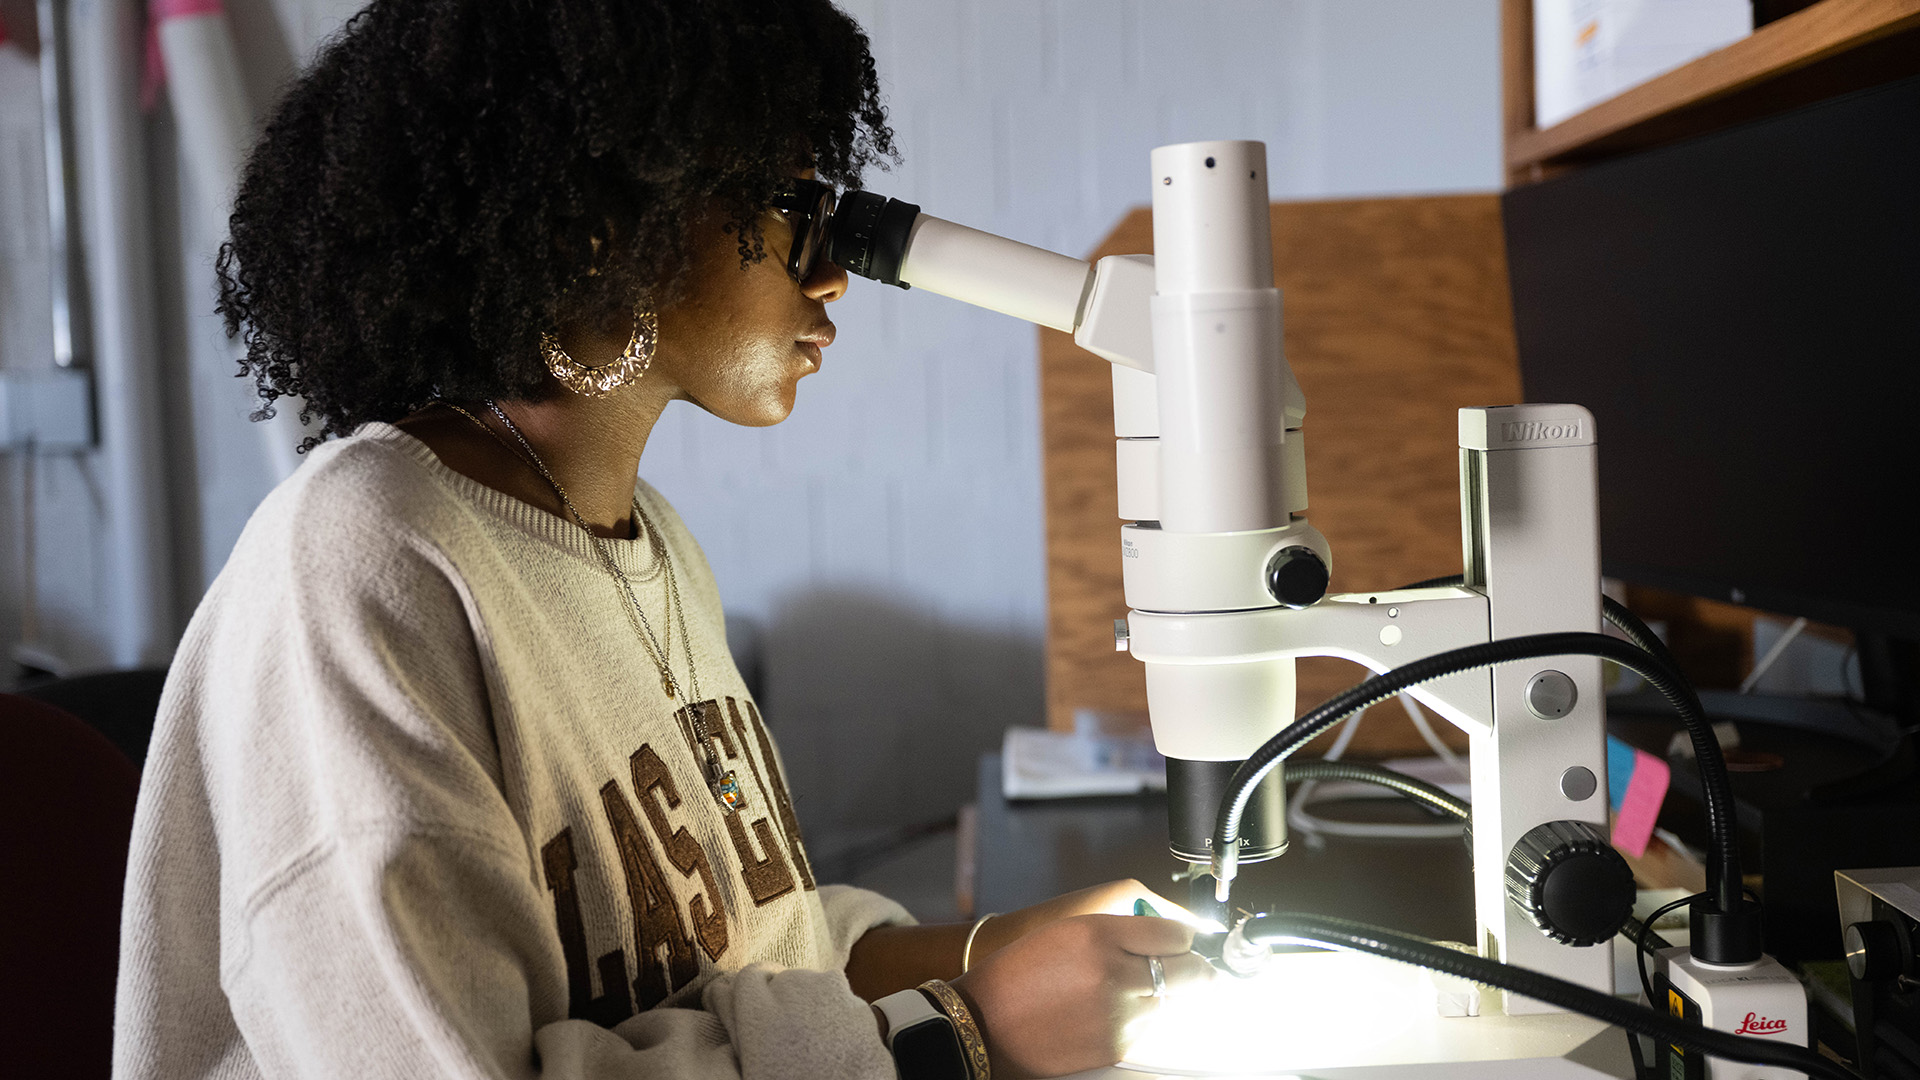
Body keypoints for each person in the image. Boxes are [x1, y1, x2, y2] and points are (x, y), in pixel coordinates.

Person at [112, 2, 1211, 1078]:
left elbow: (742, 962)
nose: (828, 274)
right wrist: (963, 1032)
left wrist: (999, 952)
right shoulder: (365, 558)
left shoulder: (650, 543)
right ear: (602, 232)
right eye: (789, 212)